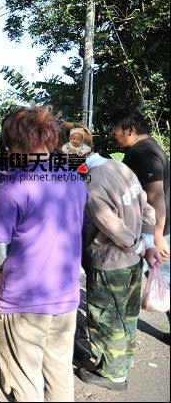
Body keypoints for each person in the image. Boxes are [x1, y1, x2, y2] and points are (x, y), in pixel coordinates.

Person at [0, 106, 88, 401]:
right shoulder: (75, 181)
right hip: (67, 296)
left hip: (24, 300)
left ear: (16, 144)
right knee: (58, 372)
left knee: (25, 380)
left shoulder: (14, 187)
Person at [78, 147, 163, 390]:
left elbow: (113, 227)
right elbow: (146, 207)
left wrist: (136, 246)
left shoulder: (91, 185)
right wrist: (146, 244)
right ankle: (125, 360)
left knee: (106, 318)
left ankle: (112, 374)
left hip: (110, 263)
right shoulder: (119, 167)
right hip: (133, 262)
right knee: (126, 313)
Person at [107, 108, 170, 341]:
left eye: (116, 131)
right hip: (155, 228)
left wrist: (157, 236)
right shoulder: (148, 147)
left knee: (165, 280)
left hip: (157, 230)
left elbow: (155, 197)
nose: (114, 136)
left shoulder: (143, 153)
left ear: (130, 130)